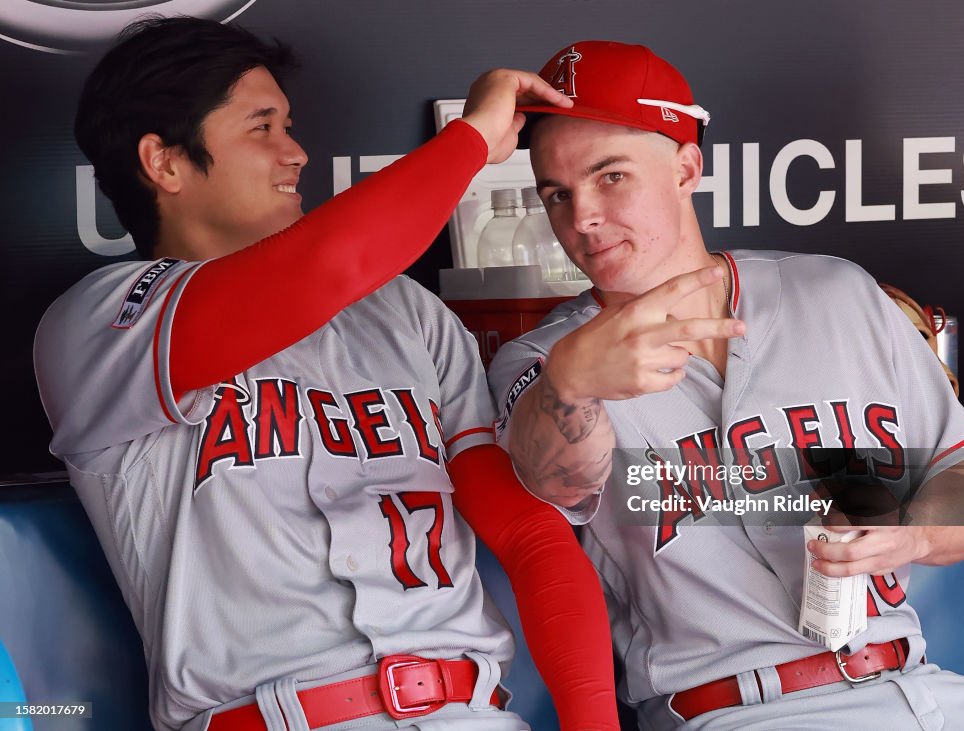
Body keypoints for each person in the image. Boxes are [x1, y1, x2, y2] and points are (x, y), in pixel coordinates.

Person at [33, 18, 620, 731]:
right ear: (164, 163)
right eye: (262, 128)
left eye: (289, 126)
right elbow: (326, 265)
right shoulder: (102, 323)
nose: (297, 152)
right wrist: (468, 143)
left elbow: (528, 534)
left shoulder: (407, 312)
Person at [489, 40, 964, 729]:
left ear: (686, 167)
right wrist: (572, 385)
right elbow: (548, 474)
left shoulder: (837, 293)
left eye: (610, 176)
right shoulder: (541, 362)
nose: (581, 217)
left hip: (927, 688)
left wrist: (912, 533)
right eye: (557, 194)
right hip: (736, 709)